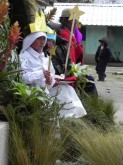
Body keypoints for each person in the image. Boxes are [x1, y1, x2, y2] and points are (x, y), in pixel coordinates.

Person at [19, 31, 87, 118]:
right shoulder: (24, 56)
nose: (42, 42)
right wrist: (41, 74)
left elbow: (51, 76)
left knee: (67, 89)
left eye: (44, 39)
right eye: (38, 39)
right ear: (31, 40)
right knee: (60, 95)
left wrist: (50, 81)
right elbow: (22, 77)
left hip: (45, 89)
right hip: (32, 91)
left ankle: (70, 118)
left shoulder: (45, 56)